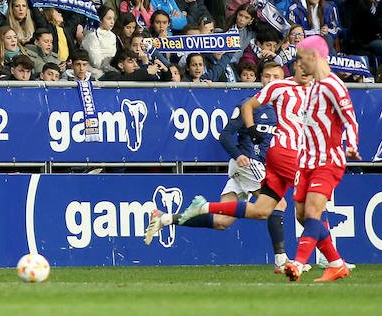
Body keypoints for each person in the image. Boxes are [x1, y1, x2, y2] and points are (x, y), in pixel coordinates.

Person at [144, 60, 293, 270]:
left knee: (221, 222)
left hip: (260, 168)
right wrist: (238, 155)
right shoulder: (249, 105)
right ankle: (281, 261)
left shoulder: (285, 108)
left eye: (276, 77)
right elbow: (225, 135)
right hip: (248, 164)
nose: (271, 81)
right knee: (279, 204)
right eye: (267, 76)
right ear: (261, 79)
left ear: (284, 80)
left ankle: (165, 218)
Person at [279, 34, 358, 282]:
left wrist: (352, 145)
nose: (299, 65)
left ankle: (298, 264)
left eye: (301, 59)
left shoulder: (334, 85)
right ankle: (336, 263)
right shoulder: (313, 86)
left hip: (328, 160)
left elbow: (350, 118)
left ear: (314, 57)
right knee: (302, 216)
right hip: (306, 161)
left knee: (313, 213)